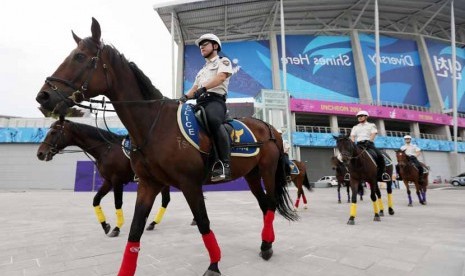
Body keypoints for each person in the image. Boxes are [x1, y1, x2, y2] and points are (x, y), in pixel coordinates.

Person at [179, 33, 233, 182]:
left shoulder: (223, 61)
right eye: (200, 45)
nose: (201, 47)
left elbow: (221, 77)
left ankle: (224, 165)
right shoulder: (201, 70)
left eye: (205, 44)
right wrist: (183, 98)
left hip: (216, 101)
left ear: (215, 46)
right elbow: (194, 88)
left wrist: (203, 89)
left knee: (213, 120)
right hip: (200, 103)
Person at [350, 110, 390, 182]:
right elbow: (352, 136)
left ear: (366, 117)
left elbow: (373, 134)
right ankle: (349, 173)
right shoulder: (355, 127)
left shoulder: (371, 125)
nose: (359, 117)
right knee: (349, 157)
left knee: (380, 156)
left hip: (369, 144)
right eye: (358, 116)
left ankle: (383, 174)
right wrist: (352, 143)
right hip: (358, 145)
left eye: (361, 116)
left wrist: (369, 141)